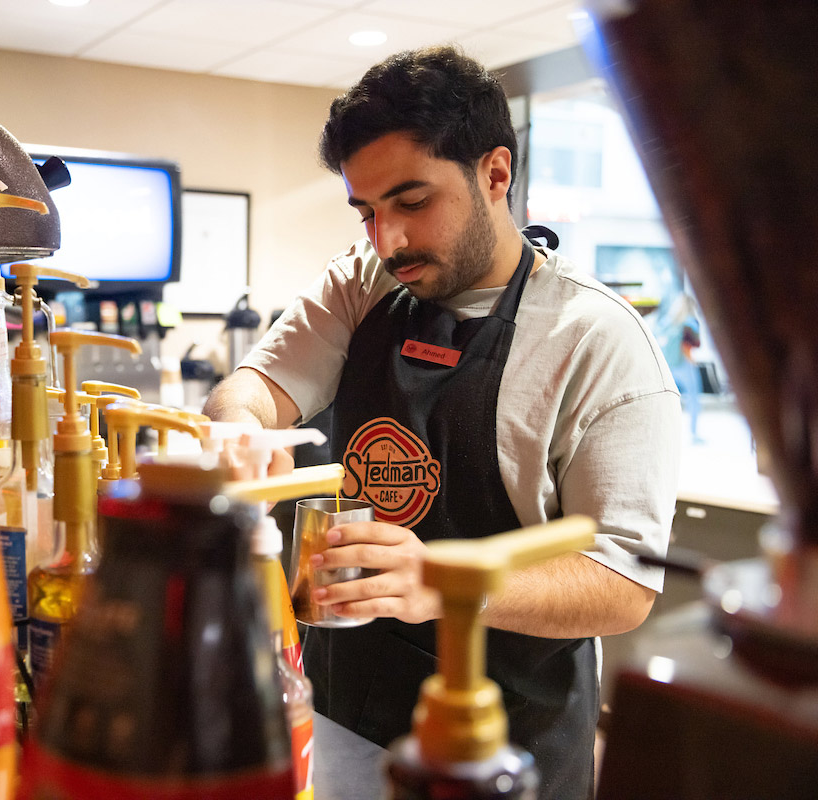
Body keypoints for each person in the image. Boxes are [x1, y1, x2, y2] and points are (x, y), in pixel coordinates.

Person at [202, 46, 680, 798]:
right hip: (343, 707)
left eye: (412, 201)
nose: (386, 240)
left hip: (503, 745)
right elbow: (256, 386)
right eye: (367, 212)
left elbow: (624, 583)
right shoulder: (362, 283)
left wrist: (446, 584)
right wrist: (237, 429)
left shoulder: (594, 340)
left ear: (495, 173)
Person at [656, 292, 704, 442]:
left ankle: (664, 433)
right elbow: (691, 345)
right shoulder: (691, 323)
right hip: (684, 365)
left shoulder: (669, 321)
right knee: (694, 398)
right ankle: (694, 433)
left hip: (669, 366)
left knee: (668, 398)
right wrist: (692, 361)